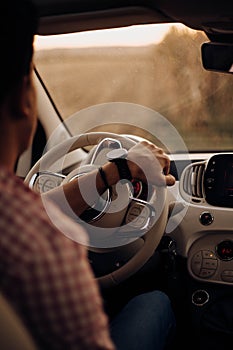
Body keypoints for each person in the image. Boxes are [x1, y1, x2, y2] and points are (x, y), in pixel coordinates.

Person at [0, 1, 176, 349]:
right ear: (25, 99)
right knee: (156, 302)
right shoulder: (40, 245)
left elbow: (41, 209)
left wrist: (115, 171)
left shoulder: (18, 220)